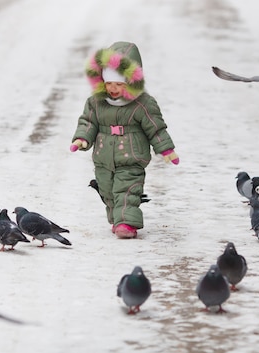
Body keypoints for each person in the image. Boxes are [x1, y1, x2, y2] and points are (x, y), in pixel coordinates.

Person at [70, 41, 179, 239]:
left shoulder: (143, 103)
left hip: (131, 156)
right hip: (103, 156)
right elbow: (88, 121)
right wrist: (82, 138)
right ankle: (117, 217)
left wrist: (165, 149)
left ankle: (127, 222)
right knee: (107, 190)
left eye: (119, 84)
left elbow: (156, 128)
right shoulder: (96, 101)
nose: (113, 88)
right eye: (109, 83)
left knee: (127, 190)